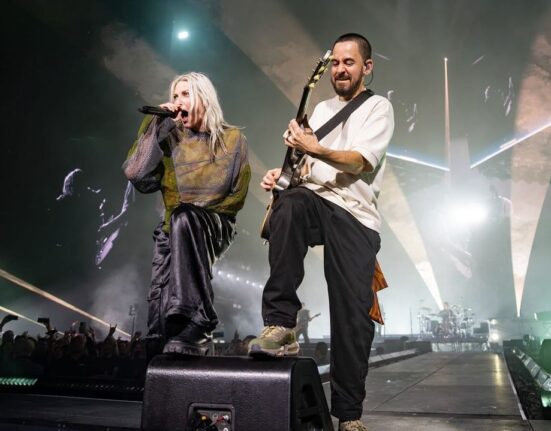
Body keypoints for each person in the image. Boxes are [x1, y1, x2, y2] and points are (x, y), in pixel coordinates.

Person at [248, 33, 394, 431]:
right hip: (316, 201)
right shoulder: (322, 109)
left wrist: (314, 148)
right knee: (289, 203)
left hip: (355, 215)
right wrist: (283, 175)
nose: (340, 69)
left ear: (367, 67)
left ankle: (348, 415)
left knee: (352, 316)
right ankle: (281, 323)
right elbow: (307, 170)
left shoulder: (378, 107)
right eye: (335, 63)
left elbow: (360, 162)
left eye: (349, 62)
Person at [123, 72, 251, 356]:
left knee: (186, 217)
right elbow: (136, 175)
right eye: (175, 95)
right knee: (161, 324)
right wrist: (154, 126)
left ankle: (202, 316)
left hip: (214, 224)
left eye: (185, 94)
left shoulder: (232, 139)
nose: (178, 101)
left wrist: (196, 214)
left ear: (204, 98)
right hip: (171, 232)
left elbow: (236, 196)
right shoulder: (169, 138)